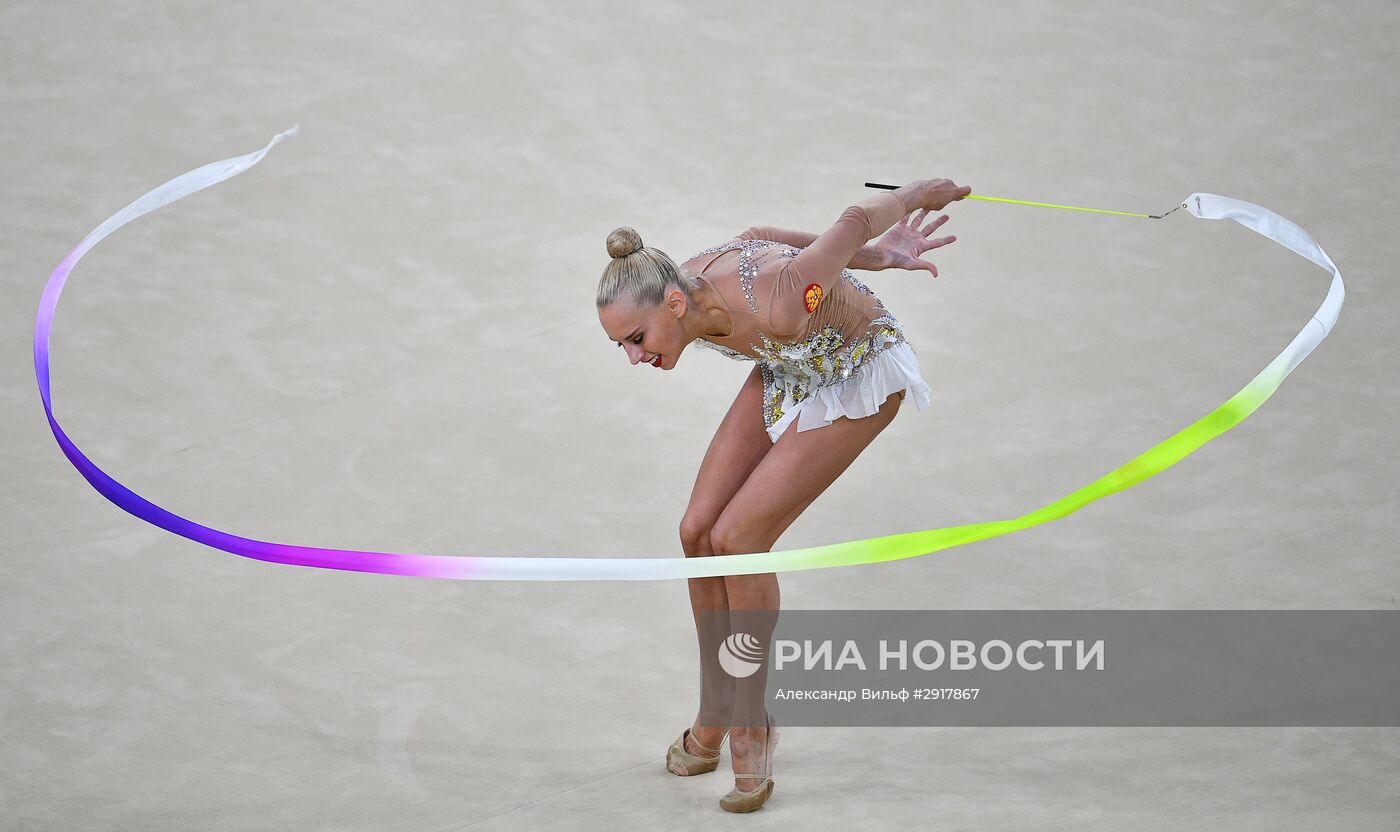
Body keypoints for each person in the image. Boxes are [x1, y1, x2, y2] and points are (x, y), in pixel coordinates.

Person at [596, 178, 970, 812]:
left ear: (675, 308)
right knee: (697, 533)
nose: (633, 357)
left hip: (857, 371)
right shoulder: (686, 281)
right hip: (789, 364)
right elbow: (757, 238)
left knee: (739, 539)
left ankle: (750, 719)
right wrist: (875, 258)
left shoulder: (779, 303)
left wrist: (912, 197)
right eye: (622, 346)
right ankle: (715, 701)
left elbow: (853, 217)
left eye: (636, 338)